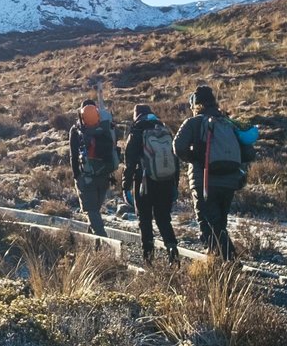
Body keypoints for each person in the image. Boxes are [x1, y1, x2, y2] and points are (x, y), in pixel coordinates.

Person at [174, 84, 251, 260]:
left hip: (205, 180)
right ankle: (221, 263)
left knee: (207, 223)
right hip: (229, 182)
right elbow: (249, 153)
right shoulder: (228, 122)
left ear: (196, 104)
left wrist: (197, 158)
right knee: (220, 223)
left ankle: (228, 262)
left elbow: (178, 147)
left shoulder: (194, 122)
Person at [121, 103, 180, 262]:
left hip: (144, 182)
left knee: (145, 220)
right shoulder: (165, 129)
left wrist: (125, 186)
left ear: (136, 115)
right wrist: (175, 183)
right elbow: (174, 159)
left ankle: (148, 258)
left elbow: (130, 163)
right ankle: (172, 249)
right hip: (166, 181)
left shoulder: (137, 131)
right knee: (163, 218)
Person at [68, 82, 117, 238]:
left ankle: (105, 242)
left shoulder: (77, 130)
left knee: (91, 210)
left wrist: (76, 175)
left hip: (86, 176)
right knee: (95, 210)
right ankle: (93, 245)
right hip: (105, 174)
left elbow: (73, 155)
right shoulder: (106, 127)